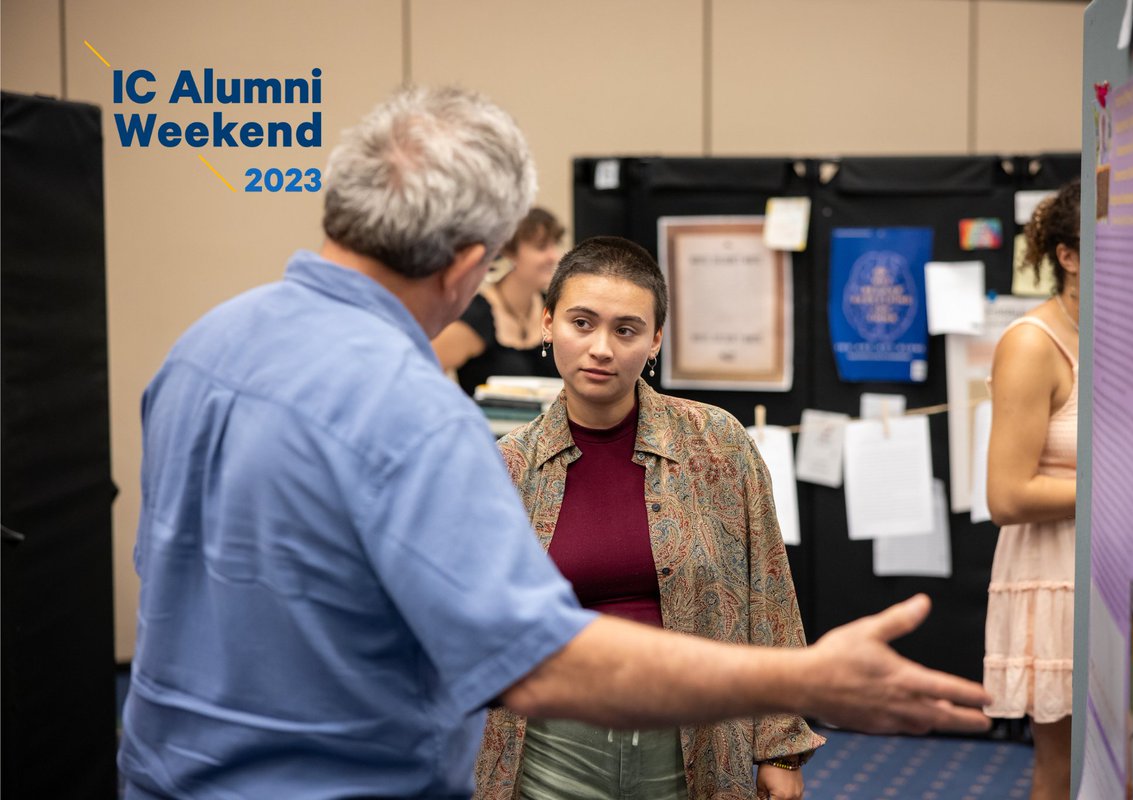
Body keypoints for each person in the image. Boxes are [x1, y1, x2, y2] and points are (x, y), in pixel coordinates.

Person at [119, 85, 990, 800]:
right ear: (469, 266)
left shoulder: (202, 348)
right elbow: (536, 664)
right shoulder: (418, 413)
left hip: (166, 773)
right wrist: (801, 682)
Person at [475, 236, 821, 800]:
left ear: (655, 339)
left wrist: (780, 745)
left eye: (626, 329)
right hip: (551, 744)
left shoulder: (717, 446)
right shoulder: (507, 468)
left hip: (694, 740)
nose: (601, 348)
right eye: (581, 323)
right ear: (547, 324)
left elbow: (770, 597)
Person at [984, 177, 1081, 800]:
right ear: (1067, 256)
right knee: (1065, 766)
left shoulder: (1131, 333)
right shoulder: (1030, 343)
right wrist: (1122, 485)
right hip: (1056, 573)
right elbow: (1007, 496)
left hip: (1123, 563)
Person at [432, 207, 565, 394]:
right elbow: (422, 373)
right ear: (509, 253)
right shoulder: (477, 316)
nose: (554, 256)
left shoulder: (556, 309)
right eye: (541, 247)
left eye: (555, 244)